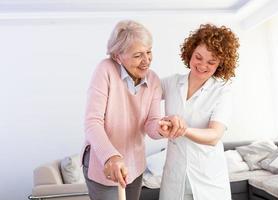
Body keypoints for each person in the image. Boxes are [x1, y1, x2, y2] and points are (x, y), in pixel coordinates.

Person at [81, 20, 164, 200]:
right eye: (138, 55)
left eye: (149, 52)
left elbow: (151, 123)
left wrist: (161, 127)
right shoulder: (105, 70)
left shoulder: (154, 80)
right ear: (118, 56)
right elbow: (92, 122)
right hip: (104, 163)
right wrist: (111, 157)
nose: (146, 61)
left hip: (135, 164)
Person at [158, 24, 240, 200]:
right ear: (190, 53)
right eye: (198, 57)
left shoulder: (222, 90)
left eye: (211, 62)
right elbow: (140, 93)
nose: (202, 66)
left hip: (208, 179)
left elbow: (214, 136)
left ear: (220, 64)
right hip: (175, 176)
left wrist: (182, 129)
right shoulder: (171, 83)